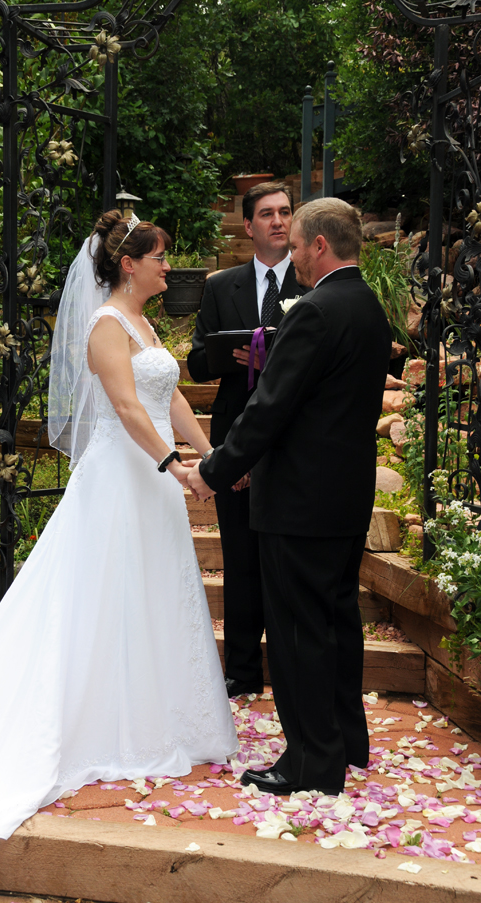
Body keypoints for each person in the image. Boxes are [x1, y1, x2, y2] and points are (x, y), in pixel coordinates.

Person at [0, 211, 238, 902]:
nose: (171, 266)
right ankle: (98, 718)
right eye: (161, 256)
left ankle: (162, 713)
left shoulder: (146, 325)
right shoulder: (105, 325)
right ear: (129, 263)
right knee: (101, 598)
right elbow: (131, 411)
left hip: (153, 480)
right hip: (121, 481)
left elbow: (171, 404)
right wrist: (174, 465)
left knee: (153, 596)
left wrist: (210, 456)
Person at [187, 198, 392, 795]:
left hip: (299, 504)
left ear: (320, 246)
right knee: (337, 622)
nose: (293, 254)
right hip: (343, 499)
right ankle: (348, 742)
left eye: (299, 244)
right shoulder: (369, 307)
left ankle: (310, 762)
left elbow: (269, 409)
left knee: (300, 633)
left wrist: (216, 471)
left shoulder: (316, 312)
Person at [188, 181, 305, 698]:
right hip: (236, 435)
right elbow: (195, 361)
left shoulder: (313, 281)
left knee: (285, 556)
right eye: (268, 214)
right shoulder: (222, 286)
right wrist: (229, 355)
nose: (279, 221)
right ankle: (240, 668)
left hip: (295, 440)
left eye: (285, 212)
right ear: (249, 225)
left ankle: (290, 664)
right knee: (238, 554)